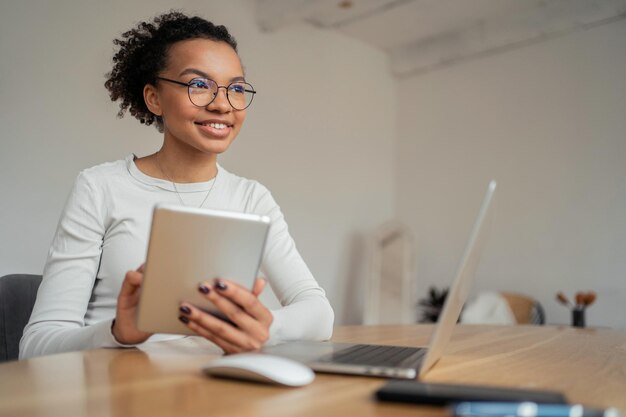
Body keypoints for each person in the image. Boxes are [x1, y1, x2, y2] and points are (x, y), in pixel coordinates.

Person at [19, 11, 334, 359]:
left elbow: (319, 314)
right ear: (154, 98)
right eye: (199, 85)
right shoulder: (100, 187)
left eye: (236, 88)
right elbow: (36, 345)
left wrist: (263, 328)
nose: (221, 104)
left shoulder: (252, 198)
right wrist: (118, 333)